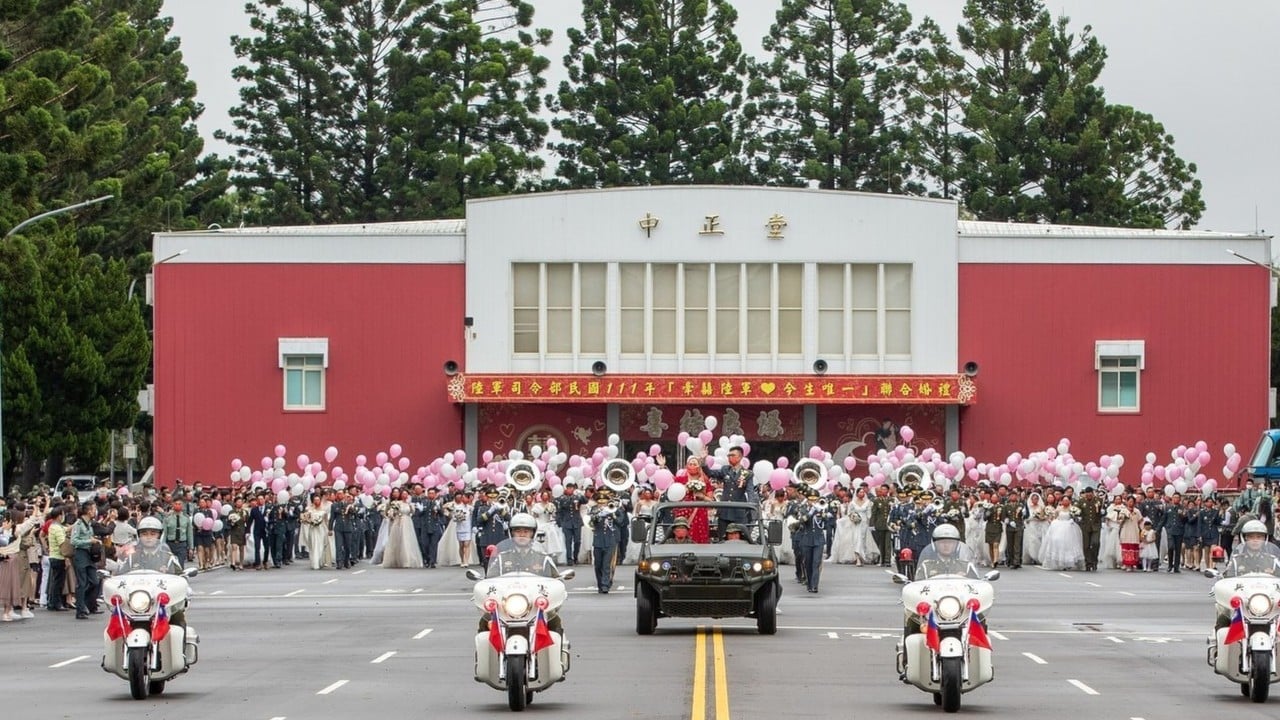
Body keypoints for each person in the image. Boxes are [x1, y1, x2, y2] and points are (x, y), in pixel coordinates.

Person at [478, 513, 565, 635]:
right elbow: (490, 580)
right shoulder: (502, 558)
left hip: (535, 605)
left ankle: (559, 652)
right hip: (506, 605)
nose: (522, 535)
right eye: (518, 531)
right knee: (485, 622)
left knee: (554, 621)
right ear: (511, 533)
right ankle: (486, 653)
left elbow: (557, 580)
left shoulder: (543, 558)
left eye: (526, 531)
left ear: (533, 534)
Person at [1215, 520, 1280, 630]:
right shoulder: (1236, 559)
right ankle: (1218, 644)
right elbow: (1227, 577)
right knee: (1224, 616)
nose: (1255, 540)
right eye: (1251, 537)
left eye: (1259, 537)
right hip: (1244, 600)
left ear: (1265, 539)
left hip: (1267, 600)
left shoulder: (1272, 560)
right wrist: (1221, 578)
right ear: (1244, 538)